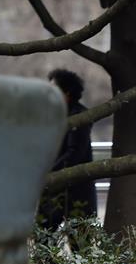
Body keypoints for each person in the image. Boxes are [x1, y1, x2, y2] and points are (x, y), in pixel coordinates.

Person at [38, 68, 97, 231]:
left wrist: (48, 173)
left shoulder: (80, 116)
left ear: (67, 92)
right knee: (44, 238)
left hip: (76, 190)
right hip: (54, 189)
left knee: (79, 242)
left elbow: (74, 153)